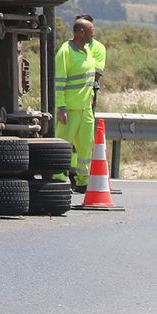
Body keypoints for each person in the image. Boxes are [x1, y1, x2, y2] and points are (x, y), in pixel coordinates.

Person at [55, 16, 100, 190]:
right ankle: (58, 176)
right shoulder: (65, 52)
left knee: (85, 144)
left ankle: (83, 180)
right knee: (64, 143)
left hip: (85, 108)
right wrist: (61, 107)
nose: (93, 34)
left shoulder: (87, 50)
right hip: (70, 108)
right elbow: (59, 82)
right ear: (81, 32)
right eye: (90, 31)